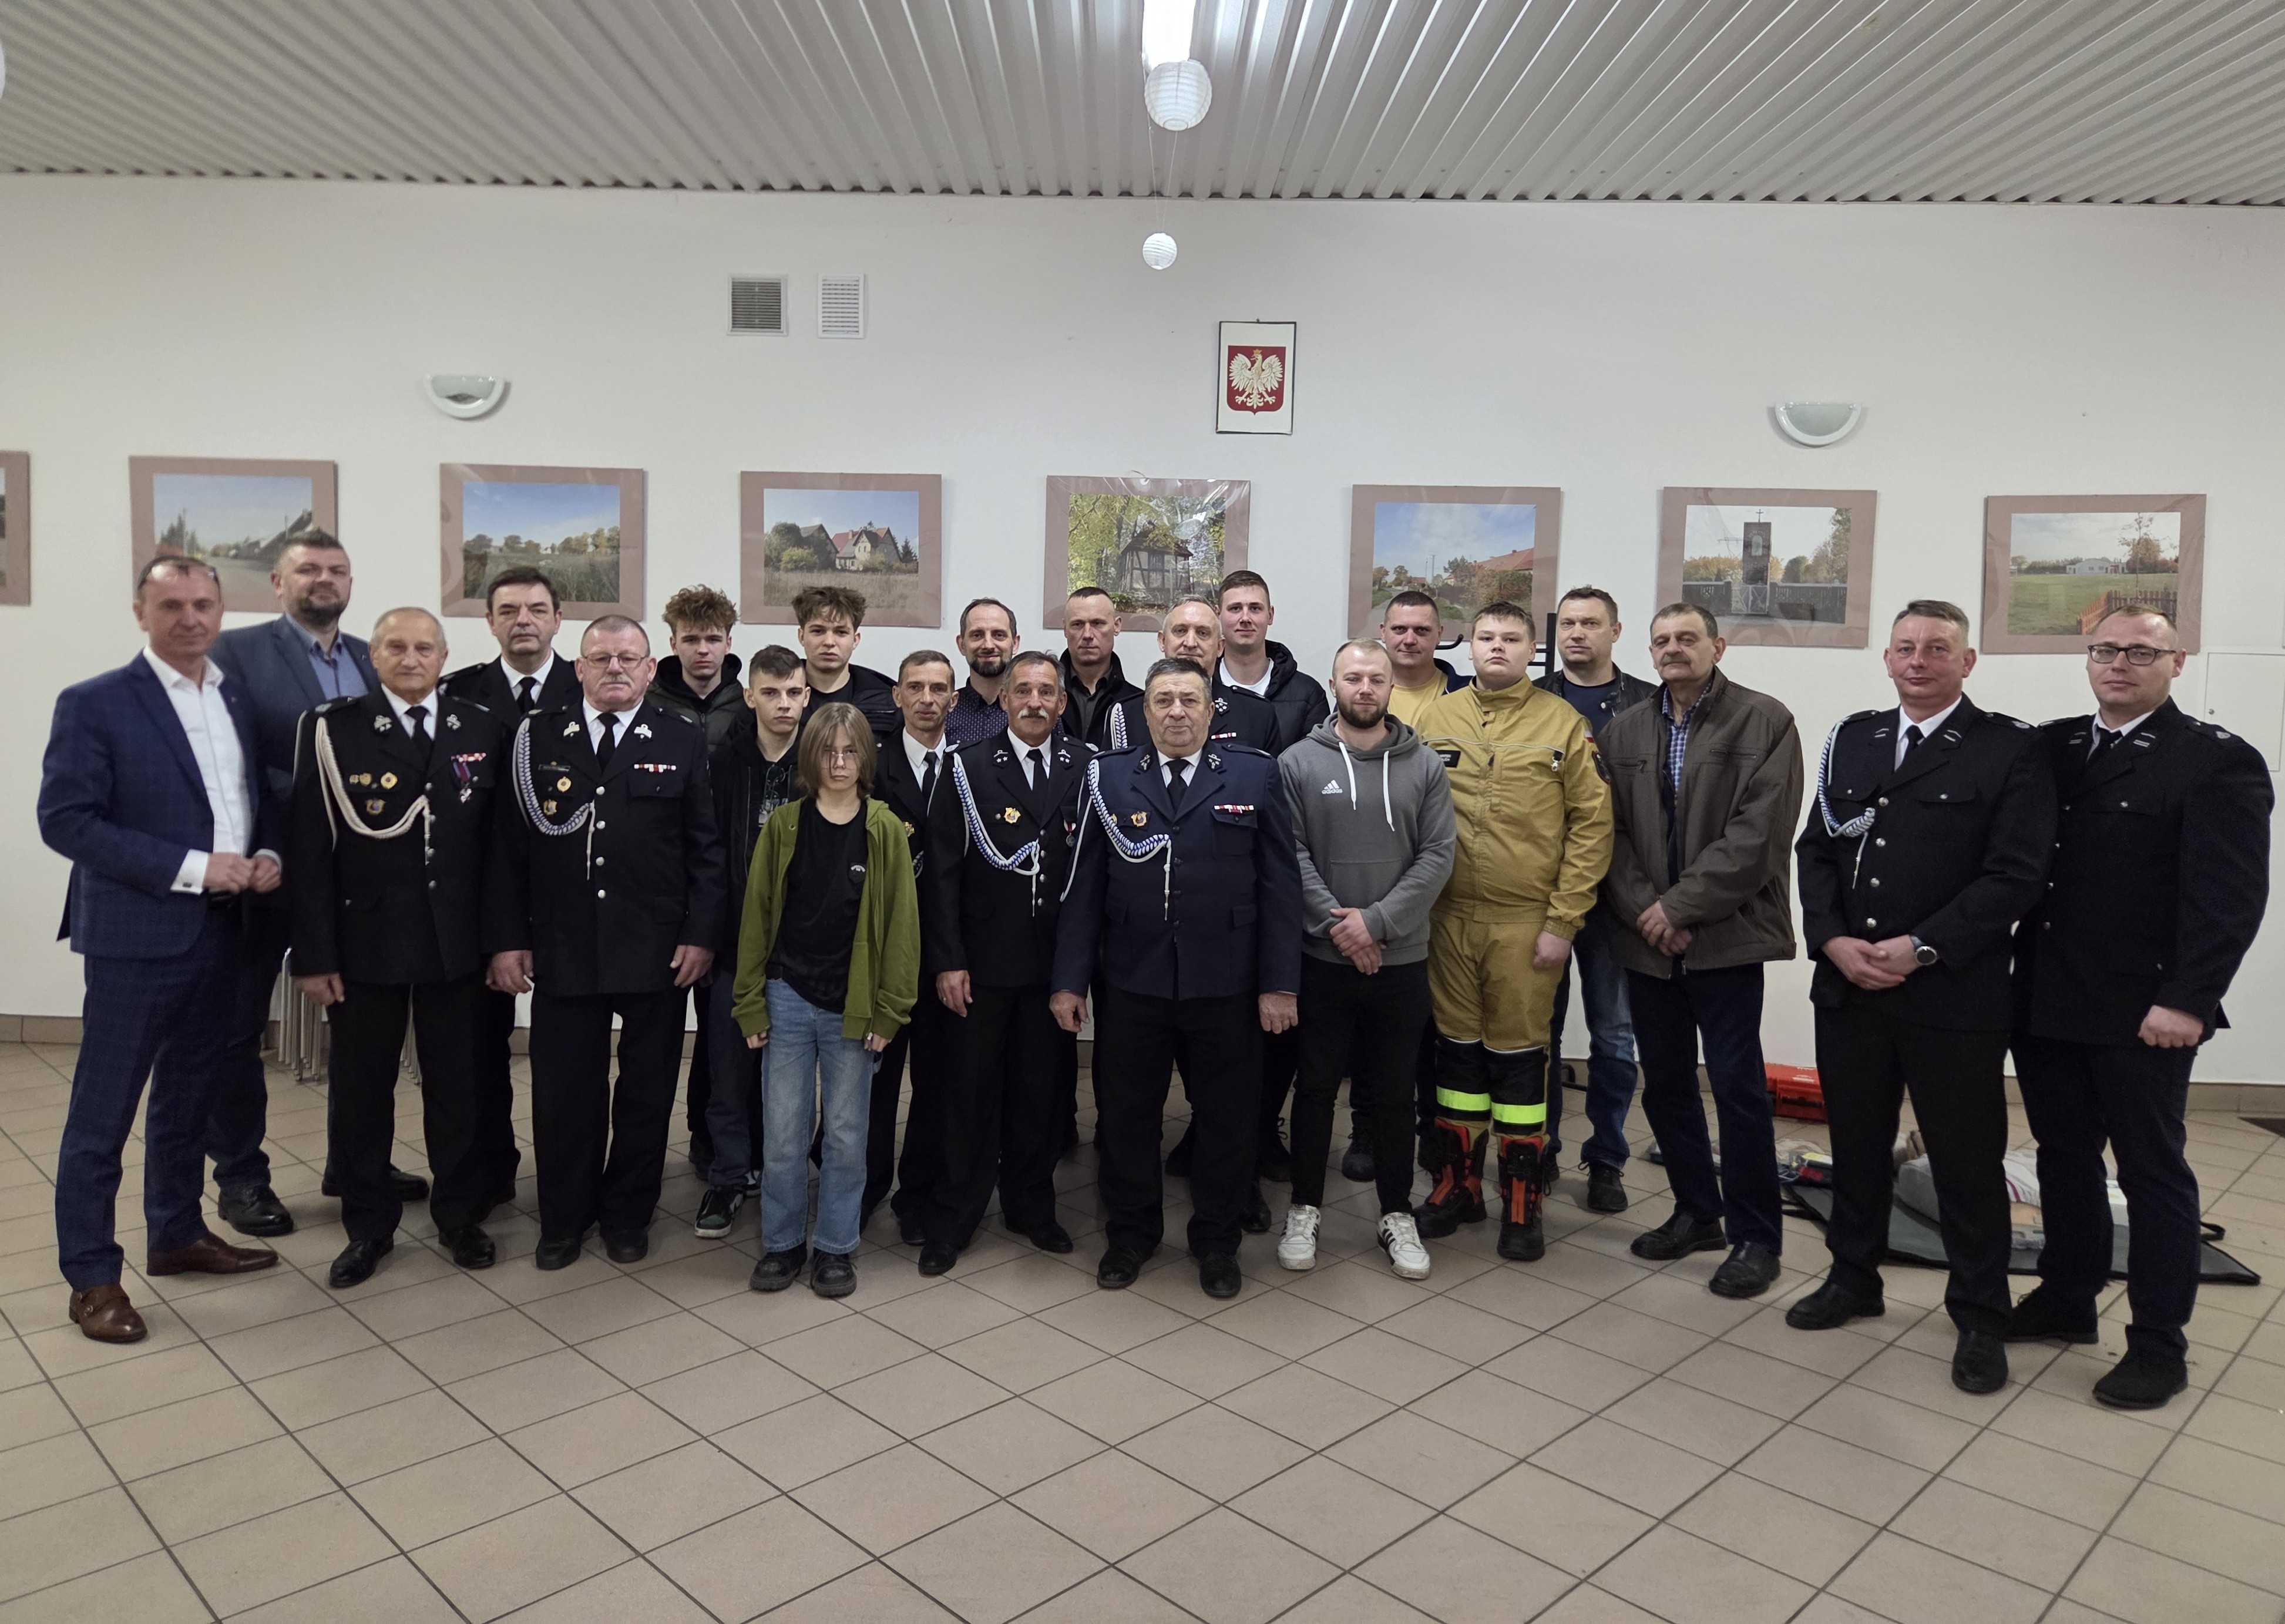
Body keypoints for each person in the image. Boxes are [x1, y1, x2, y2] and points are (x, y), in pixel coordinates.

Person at [2008, 606, 2273, 1409]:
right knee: (2062, 1158)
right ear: (2087, 658)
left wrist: (2188, 1000)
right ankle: (2066, 1296)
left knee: (2151, 1172)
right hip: (2047, 994)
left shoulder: (2214, 760)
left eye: (2139, 651)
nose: (2118, 663)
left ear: (2175, 662)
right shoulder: (2052, 746)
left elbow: (2228, 898)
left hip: (2143, 1010)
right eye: (2104, 650)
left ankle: (2159, 1343)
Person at [1792, 600, 2055, 1396]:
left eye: (1936, 648)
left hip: (1951, 992)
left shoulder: (2009, 748)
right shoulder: (1854, 737)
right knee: (1857, 1143)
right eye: (1904, 647)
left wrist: (1922, 946)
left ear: (1966, 662)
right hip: (1850, 986)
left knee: (1965, 1160)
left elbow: (2016, 874)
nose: (1917, 660)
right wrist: (1831, 940)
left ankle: (1978, 1313)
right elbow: (1816, 851)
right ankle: (1852, 1277)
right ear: (1886, 658)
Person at [38, 557, 281, 1344]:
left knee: (188, 1099)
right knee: (102, 1116)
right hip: (136, 938)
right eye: (170, 604)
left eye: (203, 603)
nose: (189, 617)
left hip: (225, 930)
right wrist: (194, 868)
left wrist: (265, 854)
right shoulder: (96, 701)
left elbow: (247, 801)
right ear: (140, 611)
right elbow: (67, 820)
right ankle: (91, 1277)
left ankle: (176, 1233)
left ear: (221, 609)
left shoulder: (233, 697)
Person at [1053, 658, 1304, 1299]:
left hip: (1226, 981)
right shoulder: (1109, 776)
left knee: (1226, 1117)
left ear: (1210, 709)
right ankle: (1130, 1234)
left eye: (1189, 699)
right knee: (1126, 1116)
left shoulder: (1253, 772)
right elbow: (1084, 886)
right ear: (1145, 713)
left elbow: (1280, 887)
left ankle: (1216, 1240)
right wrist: (1069, 981)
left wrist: (1280, 983)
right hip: (1132, 980)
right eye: (1162, 700)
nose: (1176, 712)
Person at [485, 616, 725, 1269]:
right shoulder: (537, 735)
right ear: (579, 668)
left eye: (627, 657)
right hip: (563, 945)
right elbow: (507, 850)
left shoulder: (681, 735)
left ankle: (627, 1214)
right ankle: (564, 1218)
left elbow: (705, 849)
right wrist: (507, 939)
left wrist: (701, 935)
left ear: (650, 668)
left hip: (657, 949)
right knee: (564, 1093)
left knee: (646, 1093)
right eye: (600, 657)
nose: (614, 667)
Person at [288, 608, 508, 1287]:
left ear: (444, 656)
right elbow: (309, 848)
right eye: (395, 646)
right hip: (366, 943)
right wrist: (315, 955)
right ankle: (368, 1225)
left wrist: (503, 942)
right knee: (362, 1091)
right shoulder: (332, 729)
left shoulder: (481, 726)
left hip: (455, 943)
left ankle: (459, 1214)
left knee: (458, 1087)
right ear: (373, 656)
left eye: (423, 647)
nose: (411, 658)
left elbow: (499, 851)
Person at [1599, 604, 1803, 1299]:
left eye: (1686, 638)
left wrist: (1678, 908)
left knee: (1737, 1089)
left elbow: (1759, 834)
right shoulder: (1624, 729)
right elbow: (1608, 834)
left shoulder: (1764, 721)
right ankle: (1696, 1212)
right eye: (1661, 640)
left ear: (1717, 645)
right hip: (1647, 941)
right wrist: (1647, 911)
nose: (1673, 649)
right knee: (1665, 1084)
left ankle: (1756, 1236)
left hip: (1725, 937)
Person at [207, 527, 390, 1239]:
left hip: (355, 881)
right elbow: (228, 767)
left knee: (361, 1030)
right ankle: (241, 1177)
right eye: (309, 568)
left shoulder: (372, 659)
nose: (325, 579)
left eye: (337, 569)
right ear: (279, 583)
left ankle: (354, 1165)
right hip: (266, 871)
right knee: (236, 1031)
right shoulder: (235, 654)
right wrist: (297, 817)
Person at [1414, 603, 1612, 1262]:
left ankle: (1522, 1201)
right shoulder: (1435, 719)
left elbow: (1592, 828)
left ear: (1532, 650)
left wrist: (1563, 920)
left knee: (1520, 1062)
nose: (1496, 647)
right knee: (1456, 1059)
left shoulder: (1564, 724)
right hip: (1446, 919)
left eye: (1510, 638)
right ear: (1468, 647)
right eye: (1485, 637)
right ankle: (1458, 1184)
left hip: (1525, 924)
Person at [1275, 640, 1452, 1280]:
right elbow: (1290, 854)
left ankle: (1395, 1212)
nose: (1365, 688)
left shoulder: (1424, 765)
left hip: (1400, 959)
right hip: (1321, 959)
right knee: (1316, 1088)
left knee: (1395, 1092)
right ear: (1334, 684)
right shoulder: (1296, 762)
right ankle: (1304, 1208)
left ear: (1390, 687)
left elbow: (1437, 855)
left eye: (1376, 678)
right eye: (1353, 677)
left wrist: (1373, 924)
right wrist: (1342, 929)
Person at [736, 704, 920, 1298]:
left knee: (845, 1134)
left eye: (850, 751)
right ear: (809, 757)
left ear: (866, 757)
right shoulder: (783, 826)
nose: (839, 763)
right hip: (787, 996)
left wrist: (890, 1010)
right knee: (783, 1134)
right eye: (827, 752)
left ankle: (836, 1246)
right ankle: (783, 1242)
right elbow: (757, 918)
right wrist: (750, 1002)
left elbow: (902, 929)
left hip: (854, 1005)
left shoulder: (885, 829)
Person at [919, 652, 1087, 1275]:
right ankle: (955, 1215)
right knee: (968, 1094)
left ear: (1061, 703)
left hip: (1051, 970)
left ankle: (1031, 1207)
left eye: (1046, 692)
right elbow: (940, 875)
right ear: (1005, 701)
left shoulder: (1086, 766)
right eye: (1023, 691)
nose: (1034, 702)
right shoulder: (965, 766)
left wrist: (1076, 973)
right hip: (981, 966)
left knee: (1039, 1095)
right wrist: (948, 961)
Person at [442, 564, 581, 1212]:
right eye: (508, 610)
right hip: (477, 901)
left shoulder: (590, 685)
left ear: (558, 619)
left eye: (536, 609)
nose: (523, 620)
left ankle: (569, 1181)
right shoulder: (458, 695)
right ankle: (487, 1170)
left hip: (569, 900)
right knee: (476, 1049)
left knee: (568, 1054)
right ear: (489, 621)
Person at [1534, 587, 1656, 1214]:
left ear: (1615, 631)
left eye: (1590, 623)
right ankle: (1542, 1149)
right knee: (1542, 1031)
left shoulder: (1648, 703)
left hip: (1618, 894)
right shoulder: (1534, 697)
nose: (1577, 633)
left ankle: (1607, 1159)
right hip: (1545, 890)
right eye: (1569, 624)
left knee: (1613, 1033)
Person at [691, 646, 807, 1240]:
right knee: (729, 1069)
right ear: (750, 696)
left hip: (802, 950)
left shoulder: (822, 762)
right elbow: (705, 855)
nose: (783, 704)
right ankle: (729, 1174)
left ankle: (783, 1175)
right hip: (735, 944)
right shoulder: (721, 761)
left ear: (806, 696)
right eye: (771, 692)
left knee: (788, 1076)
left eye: (793, 693)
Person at [651, 585, 748, 1182]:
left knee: (722, 1030)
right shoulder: (651, 700)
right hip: (664, 885)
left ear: (729, 642)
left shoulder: (749, 703)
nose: (703, 649)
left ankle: (712, 1138)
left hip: (729, 885)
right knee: (663, 1031)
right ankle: (674, 1135)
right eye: (691, 639)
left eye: (713, 639)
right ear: (673, 643)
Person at [862, 651, 957, 1239]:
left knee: (936, 1082)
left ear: (953, 699)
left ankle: (917, 1194)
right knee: (872, 1081)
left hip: (944, 953)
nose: (927, 698)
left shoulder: (970, 766)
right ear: (896, 696)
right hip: (881, 954)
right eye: (915, 687)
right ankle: (864, 1186)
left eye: (938, 688)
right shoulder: (870, 765)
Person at [1105, 596, 1282, 756]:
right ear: (1163, 641)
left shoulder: (1257, 714)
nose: (1190, 643)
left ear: (1220, 647)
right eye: (1180, 631)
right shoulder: (1126, 715)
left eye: (1203, 633)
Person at [1218, 570, 1330, 754]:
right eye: (1235, 608)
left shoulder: (1308, 694)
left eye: (1255, 608)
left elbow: (1314, 765)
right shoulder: (1200, 689)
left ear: (1270, 615)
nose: (1245, 618)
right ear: (1218, 614)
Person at [794, 584, 899, 740]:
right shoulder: (776, 693)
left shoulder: (885, 700)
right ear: (802, 637)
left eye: (841, 632)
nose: (829, 642)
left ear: (855, 640)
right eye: (818, 631)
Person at [1059, 586, 1139, 752]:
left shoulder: (1137, 702)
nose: (1088, 634)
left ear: (1117, 626)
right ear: (1065, 629)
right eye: (1077, 625)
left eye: (1098, 624)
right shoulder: (1043, 697)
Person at [1380, 589, 1469, 729]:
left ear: (1439, 635)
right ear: (1383, 632)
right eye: (1400, 629)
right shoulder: (1360, 694)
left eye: (1421, 630)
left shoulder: (1470, 694)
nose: (1409, 640)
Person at [945, 597, 1017, 747]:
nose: (988, 645)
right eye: (977, 635)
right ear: (962, 645)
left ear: (1015, 644)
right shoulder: (944, 713)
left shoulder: (1033, 712)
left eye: (999, 635)